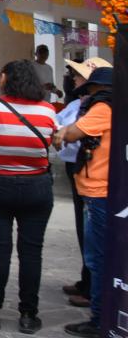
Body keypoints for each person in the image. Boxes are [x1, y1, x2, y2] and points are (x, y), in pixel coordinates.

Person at [0, 60, 59, 334]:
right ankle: (29, 315)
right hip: (37, 187)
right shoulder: (49, 111)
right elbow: (52, 142)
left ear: (6, 78)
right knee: (32, 253)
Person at [55, 66, 114, 338]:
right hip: (105, 190)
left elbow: (72, 133)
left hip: (98, 192)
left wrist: (62, 132)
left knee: (97, 258)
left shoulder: (104, 107)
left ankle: (100, 319)